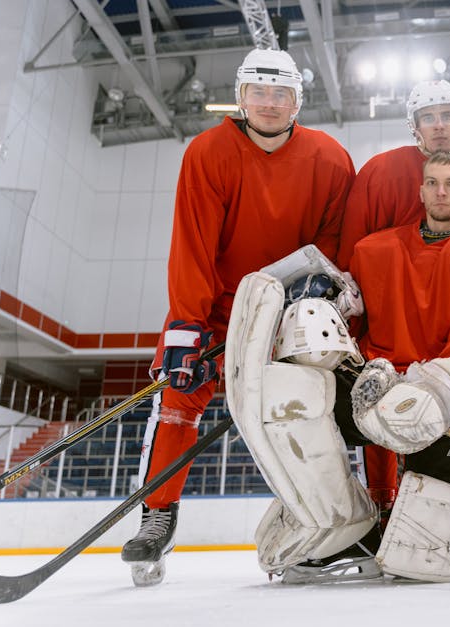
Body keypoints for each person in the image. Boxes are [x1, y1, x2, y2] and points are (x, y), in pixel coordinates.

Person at [224, 151, 450, 583]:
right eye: (433, 182)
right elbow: (351, 323)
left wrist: (445, 379)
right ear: (420, 190)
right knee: (298, 399)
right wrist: (319, 303)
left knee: (440, 550)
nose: (441, 192)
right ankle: (345, 531)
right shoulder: (374, 248)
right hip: (377, 387)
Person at [120, 47, 356, 586]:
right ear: (241, 95)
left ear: (298, 100)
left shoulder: (330, 158)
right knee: (177, 402)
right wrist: (187, 326)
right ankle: (159, 514)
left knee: (302, 411)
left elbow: (335, 240)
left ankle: (319, 520)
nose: (270, 103)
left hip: (288, 309)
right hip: (219, 309)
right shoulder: (208, 152)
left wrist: (316, 296)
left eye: (281, 93)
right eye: (259, 91)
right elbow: (193, 246)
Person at [336, 79, 450, 522]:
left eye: (446, 116)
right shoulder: (380, 174)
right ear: (414, 126)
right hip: (394, 325)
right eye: (428, 117)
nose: (438, 126)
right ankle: (379, 501)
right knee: (374, 397)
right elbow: (356, 255)